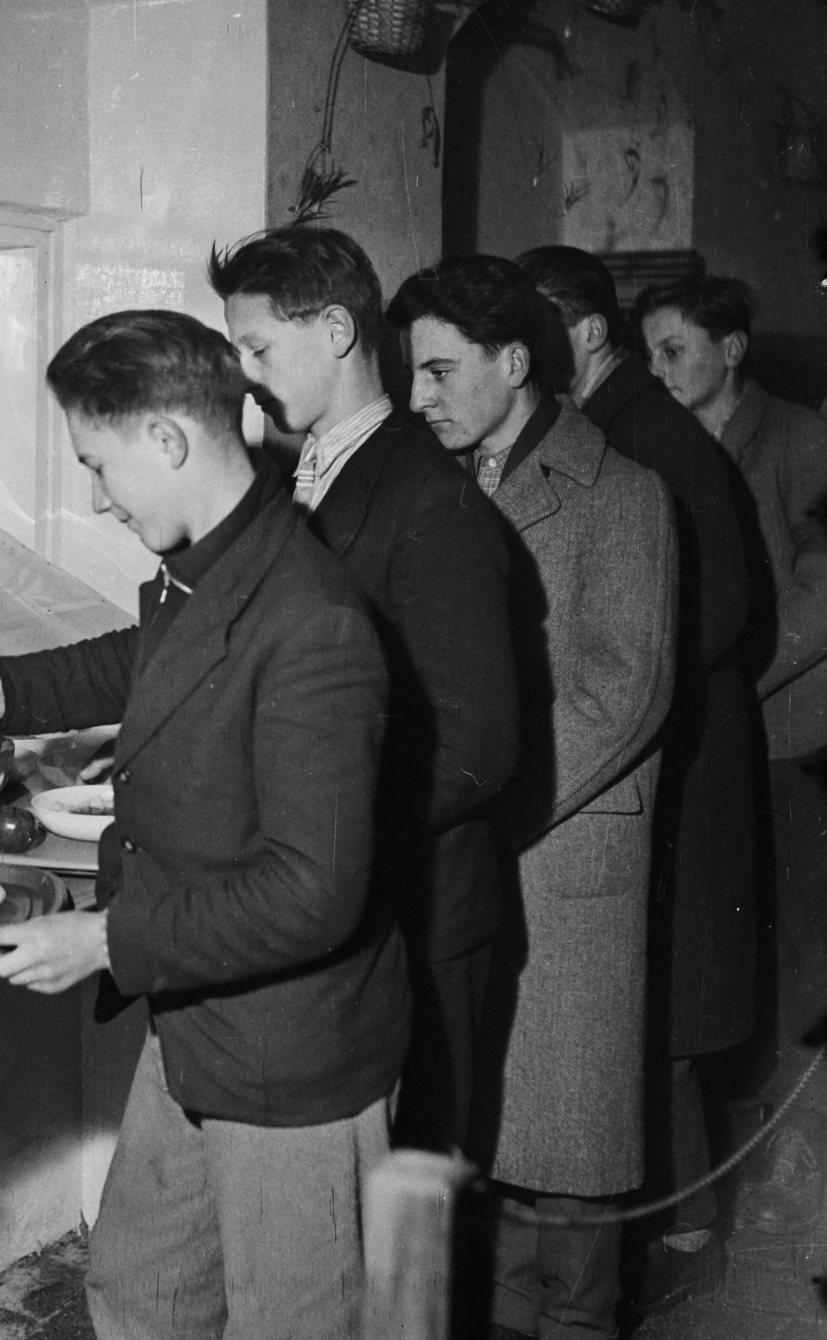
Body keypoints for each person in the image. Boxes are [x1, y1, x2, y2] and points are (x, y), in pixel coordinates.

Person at [0, 309, 409, 1340]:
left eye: (99, 464)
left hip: (290, 1053)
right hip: (198, 1021)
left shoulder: (314, 622)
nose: (93, 495)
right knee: (140, 1294)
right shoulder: (225, 561)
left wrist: (99, 938)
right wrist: (4, 692)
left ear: (168, 442)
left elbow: (315, 892)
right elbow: (158, 657)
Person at [388, 256, 677, 1340]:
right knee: (481, 1139)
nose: (418, 398)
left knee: (568, 1161)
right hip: (464, 858)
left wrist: (477, 799)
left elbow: (624, 693)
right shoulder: (438, 484)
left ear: (515, 364)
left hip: (557, 852)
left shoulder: (627, 495)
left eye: (437, 372)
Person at [208, 224, 519, 1154]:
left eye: (258, 347)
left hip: (417, 912)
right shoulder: (294, 474)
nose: (246, 372)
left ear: (338, 330)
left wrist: (315, 825)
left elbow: (476, 745)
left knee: (408, 1215)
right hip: (336, 903)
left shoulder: (433, 504)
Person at [520, 246, 756, 1311]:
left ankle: (676, 1217)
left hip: (675, 755)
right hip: (650, 749)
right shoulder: (614, 424)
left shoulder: (642, 440)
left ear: (578, 334)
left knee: (649, 1004)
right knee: (641, 1007)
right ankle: (667, 1209)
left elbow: (718, 614)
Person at [641, 277, 827, 1237]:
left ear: (733, 350)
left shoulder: (799, 437)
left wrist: (734, 680)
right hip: (716, 749)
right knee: (723, 963)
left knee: (795, 957)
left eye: (675, 349)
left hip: (792, 737)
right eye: (651, 352)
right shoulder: (674, 449)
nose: (659, 369)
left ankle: (792, 1173)